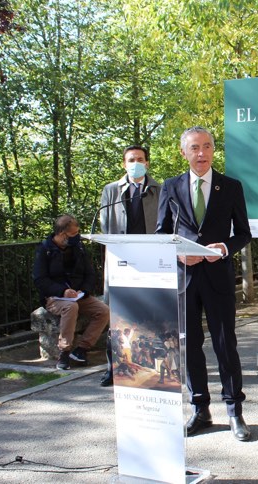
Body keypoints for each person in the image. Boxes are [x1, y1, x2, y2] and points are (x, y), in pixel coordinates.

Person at [156, 126, 252, 441]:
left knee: (226, 345)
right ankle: (201, 409)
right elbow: (162, 234)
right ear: (184, 152)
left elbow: (243, 233)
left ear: (213, 150)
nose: (202, 153)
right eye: (195, 147)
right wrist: (179, 256)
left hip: (218, 278)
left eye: (207, 146)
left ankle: (235, 411)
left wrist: (224, 249)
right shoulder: (170, 187)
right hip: (184, 280)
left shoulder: (231, 186)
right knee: (189, 347)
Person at [98, 145, 162, 386]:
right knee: (118, 318)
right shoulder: (111, 190)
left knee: (150, 316)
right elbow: (106, 226)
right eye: (131, 159)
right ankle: (112, 369)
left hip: (151, 262)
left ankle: (152, 367)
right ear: (124, 164)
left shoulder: (159, 190)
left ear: (147, 163)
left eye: (140, 159)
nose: (136, 162)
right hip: (121, 262)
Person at [32, 214, 110, 370]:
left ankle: (82, 349)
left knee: (104, 310)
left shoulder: (79, 248)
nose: (77, 237)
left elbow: (90, 273)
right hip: (55, 298)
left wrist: (84, 289)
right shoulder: (45, 250)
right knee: (71, 308)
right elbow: (40, 280)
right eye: (74, 234)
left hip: (78, 295)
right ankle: (65, 352)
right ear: (62, 234)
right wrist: (63, 291)